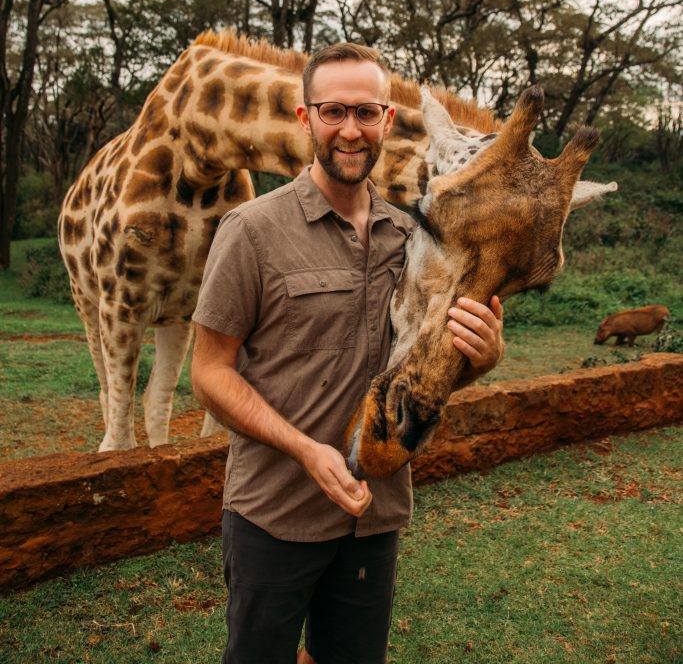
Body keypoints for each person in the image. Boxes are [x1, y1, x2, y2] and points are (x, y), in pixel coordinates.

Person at [191, 43, 504, 664]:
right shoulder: (251, 232)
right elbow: (208, 373)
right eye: (333, 111)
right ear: (306, 119)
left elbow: (420, 371)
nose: (351, 130)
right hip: (274, 513)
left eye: (366, 112)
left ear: (388, 121)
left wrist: (478, 361)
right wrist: (307, 451)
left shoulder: (412, 240)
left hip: (374, 511)